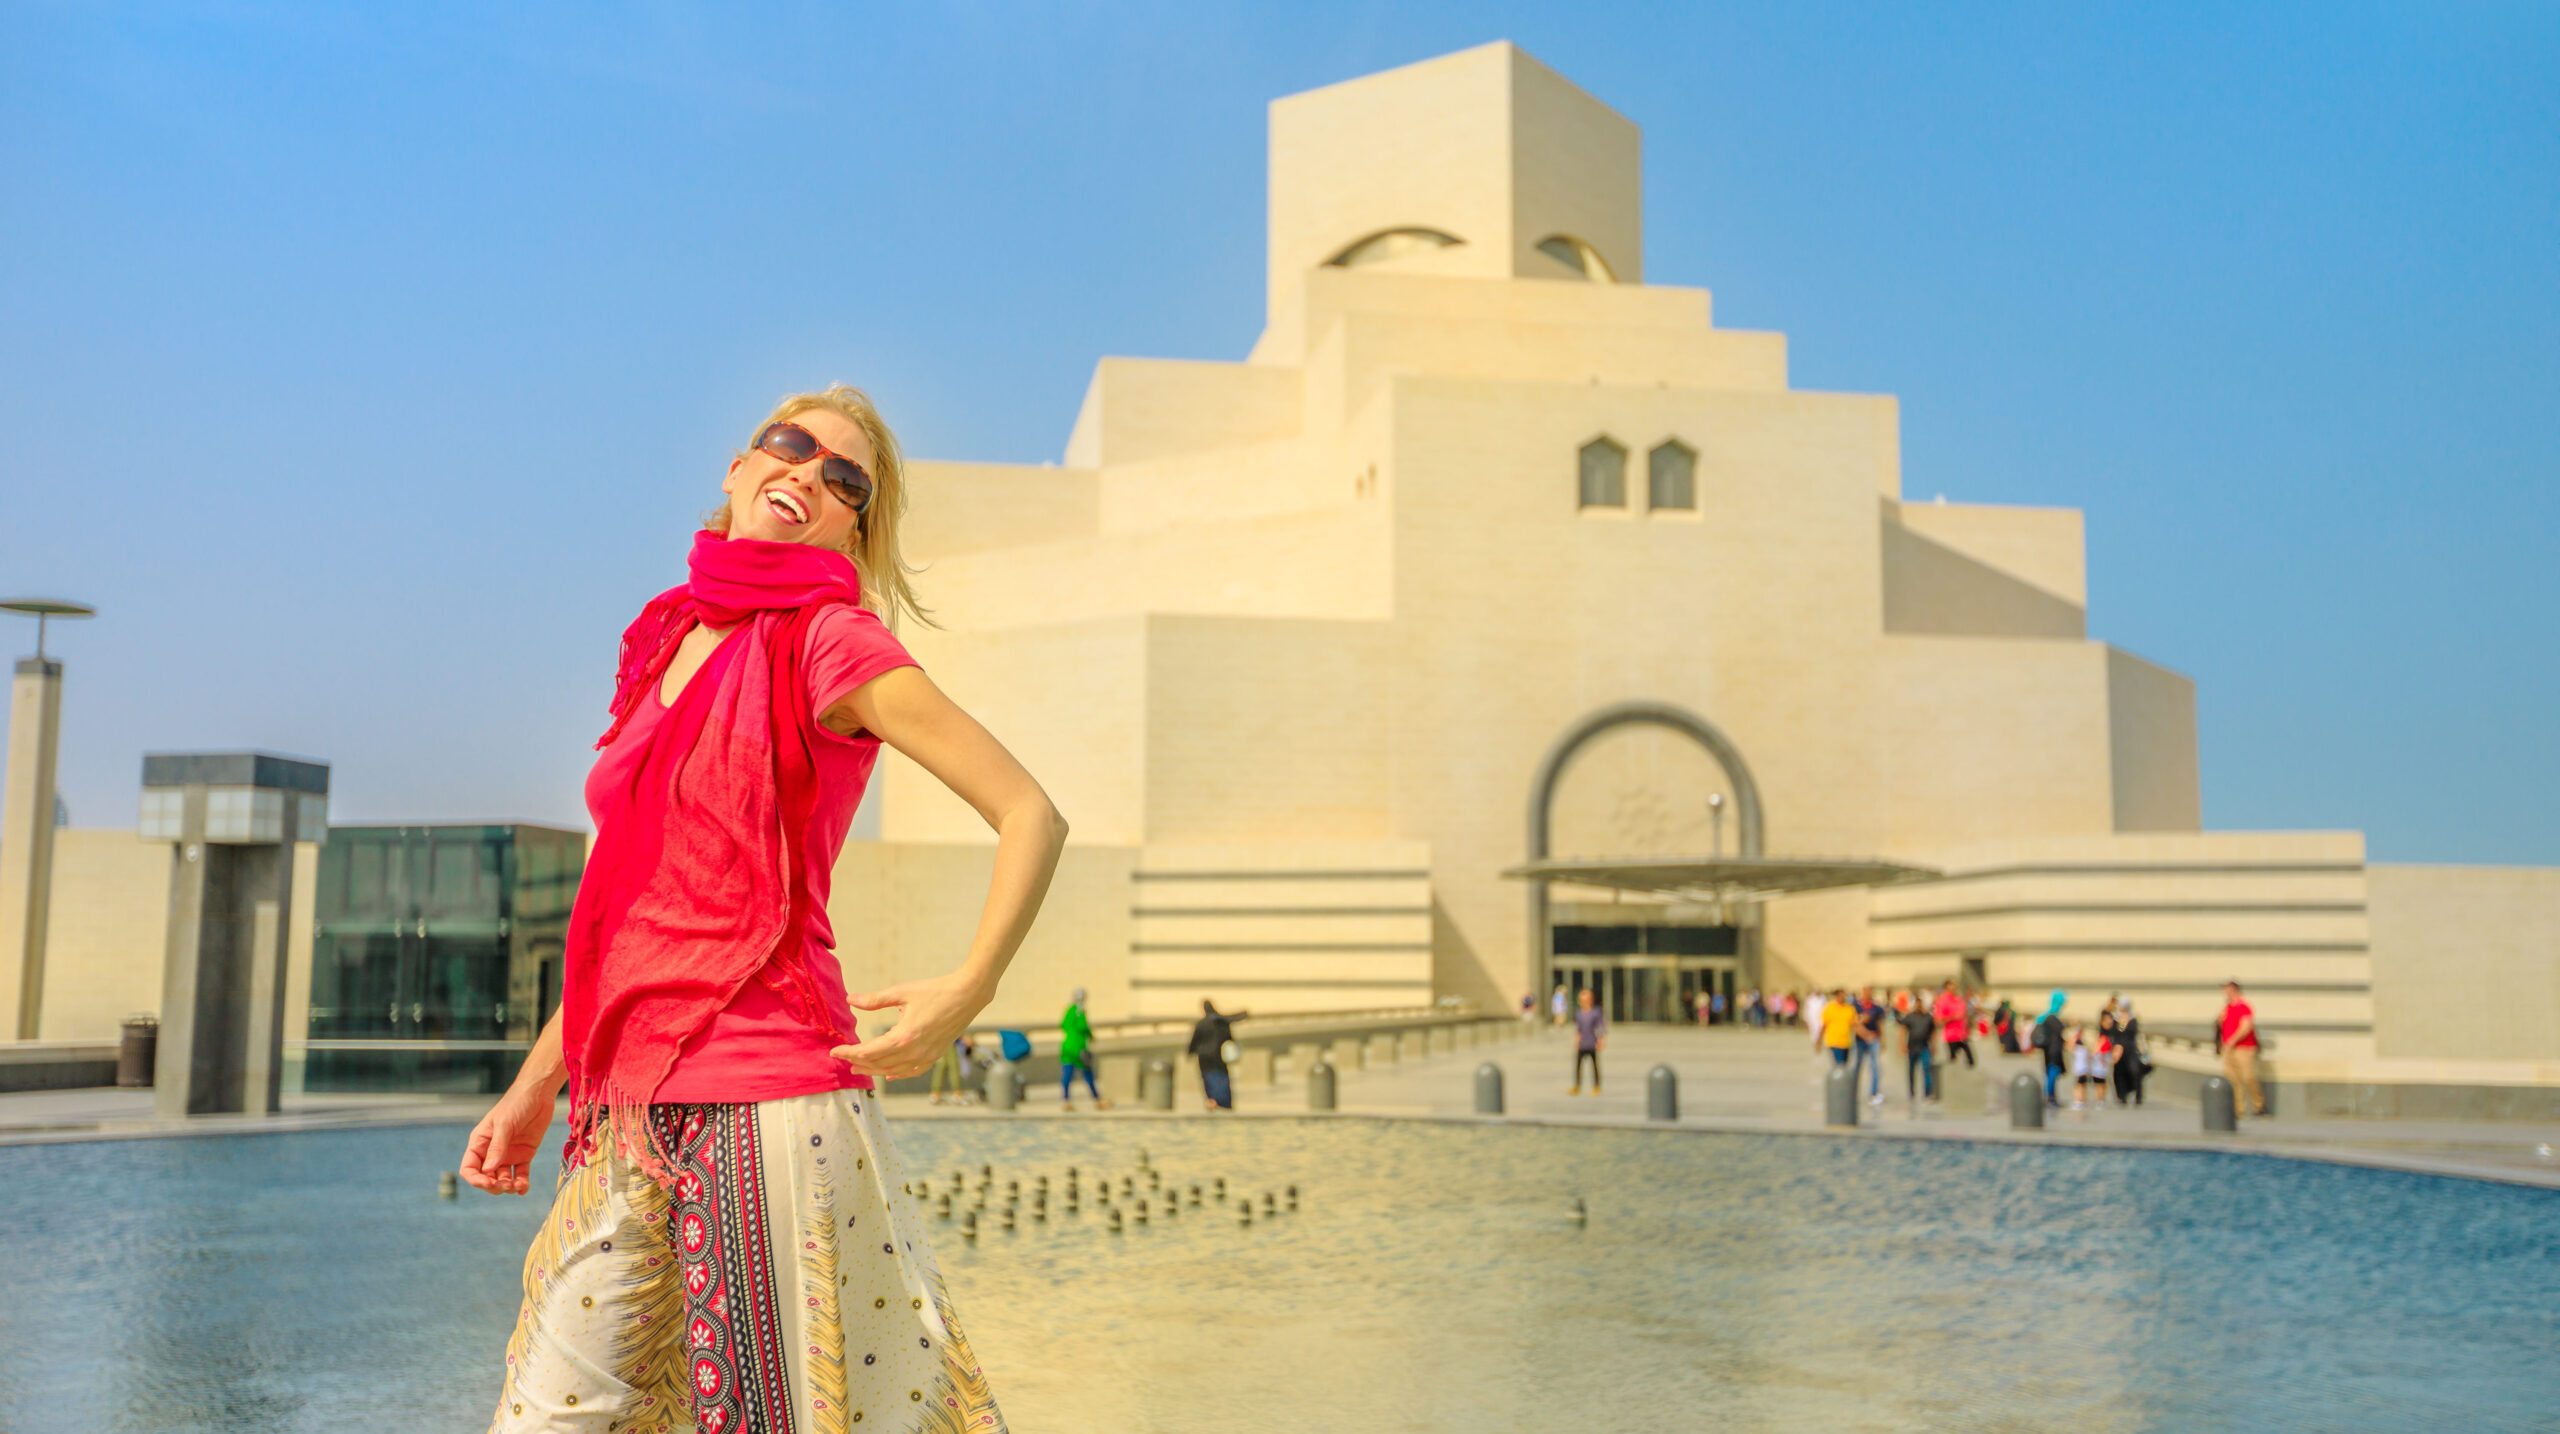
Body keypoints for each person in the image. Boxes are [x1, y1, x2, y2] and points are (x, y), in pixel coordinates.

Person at [459, 385, 1039, 1432]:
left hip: (771, 1104)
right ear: (737, 468)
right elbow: (627, 917)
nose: (809, 475)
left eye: (843, 480)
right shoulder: (667, 642)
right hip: (627, 1110)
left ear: (851, 526)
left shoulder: (830, 642)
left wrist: (971, 987)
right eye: (791, 447)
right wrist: (533, 1086)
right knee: (548, 1412)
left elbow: (1029, 813)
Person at [2217, 980, 2267, 1116]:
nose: (2225, 993)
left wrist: (2232, 1041)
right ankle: (2238, 1109)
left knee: (2248, 1077)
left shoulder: (2244, 1007)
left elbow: (2246, 1027)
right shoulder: (2227, 1008)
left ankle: (2258, 1105)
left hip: (2245, 1048)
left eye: (2227, 990)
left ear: (2234, 990)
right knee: (2233, 1079)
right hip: (2228, 1048)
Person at [1187, 998, 1247, 1111]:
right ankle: (1224, 1102)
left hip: (1204, 1057)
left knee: (1208, 1079)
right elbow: (1229, 1038)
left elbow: (1195, 1040)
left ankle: (1212, 1101)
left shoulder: (1201, 1024)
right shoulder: (1221, 1023)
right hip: (1218, 1056)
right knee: (1222, 1078)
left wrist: (1190, 1052)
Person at [1059, 986, 1111, 1110]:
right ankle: (1097, 1099)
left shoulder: (1069, 1011)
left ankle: (1066, 1100)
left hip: (1066, 1047)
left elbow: (1063, 1025)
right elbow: (1083, 1027)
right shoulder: (1080, 1011)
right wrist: (1091, 1036)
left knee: (1067, 1074)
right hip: (1079, 1047)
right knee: (1088, 1074)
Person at [2031, 991, 2069, 1108]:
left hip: (2048, 1051)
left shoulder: (2044, 1017)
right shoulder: (2052, 1018)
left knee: (2050, 1075)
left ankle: (2050, 1098)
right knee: (2052, 1075)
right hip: (2054, 1051)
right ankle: (2050, 1098)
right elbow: (2060, 1030)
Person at [1568, 988, 1607, 1095]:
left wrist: (1601, 1040)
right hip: (1582, 1044)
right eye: (1581, 999)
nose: (1583, 1002)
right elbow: (1578, 1029)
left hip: (1592, 1043)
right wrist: (1576, 1040)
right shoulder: (1579, 1013)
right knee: (1578, 1066)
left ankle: (1596, 1086)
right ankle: (1577, 1085)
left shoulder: (1596, 1013)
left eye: (1585, 999)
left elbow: (1600, 1027)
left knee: (1594, 1066)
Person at [1899, 996, 1938, 1103]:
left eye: (1920, 1004)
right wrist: (1902, 1045)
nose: (1918, 1006)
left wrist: (1934, 1045)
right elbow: (1903, 1030)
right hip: (1912, 1047)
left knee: (1926, 1069)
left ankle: (1928, 1093)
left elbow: (1933, 1032)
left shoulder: (1928, 1017)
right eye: (1917, 1004)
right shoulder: (1909, 1017)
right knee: (1911, 1071)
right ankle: (1912, 1092)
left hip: (1924, 1047)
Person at [1852, 986, 1886, 1105]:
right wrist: (1866, 1033)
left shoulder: (1877, 1009)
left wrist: (1882, 1040)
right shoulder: (1856, 1007)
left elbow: (1880, 1024)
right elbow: (1854, 1024)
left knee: (1875, 1066)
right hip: (1860, 1040)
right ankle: (1853, 1091)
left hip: (1874, 1040)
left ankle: (1874, 1092)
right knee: (1857, 1066)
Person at [2112, 999, 2148, 1106]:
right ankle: (2122, 1096)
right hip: (2118, 1050)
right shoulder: (2116, 1019)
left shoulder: (2133, 1019)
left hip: (2131, 1049)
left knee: (2135, 1072)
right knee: (2119, 1073)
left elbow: (2134, 1032)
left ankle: (2138, 1095)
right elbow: (2115, 1033)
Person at [1934, 981, 1974, 1069]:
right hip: (1951, 1036)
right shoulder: (1942, 1001)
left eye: (1955, 987)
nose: (1954, 990)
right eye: (1951, 988)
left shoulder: (1959, 1000)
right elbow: (1938, 1021)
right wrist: (1953, 1017)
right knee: (1953, 1061)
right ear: (1946, 989)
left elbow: (1965, 1015)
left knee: (1971, 1061)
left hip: (1962, 1035)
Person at [1819, 987, 1857, 1068]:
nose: (1843, 998)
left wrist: (1866, 1035)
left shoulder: (1849, 1009)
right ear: (1836, 996)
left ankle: (1841, 1080)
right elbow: (1824, 1025)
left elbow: (1855, 1025)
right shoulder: (1829, 1008)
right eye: (1841, 996)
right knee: (1839, 1065)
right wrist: (1819, 1040)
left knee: (1844, 1064)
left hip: (1846, 1043)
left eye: (1844, 996)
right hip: (1834, 1042)